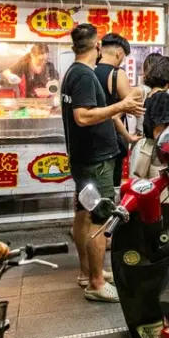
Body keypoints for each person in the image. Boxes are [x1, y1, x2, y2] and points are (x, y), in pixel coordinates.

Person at [60, 23, 145, 302]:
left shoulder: (74, 72)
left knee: (84, 214)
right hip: (95, 158)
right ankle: (96, 283)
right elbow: (83, 117)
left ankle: (88, 273)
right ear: (97, 47)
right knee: (100, 217)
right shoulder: (84, 75)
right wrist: (121, 106)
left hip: (86, 156)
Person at [95, 33, 141, 187]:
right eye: (123, 56)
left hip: (91, 140)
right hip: (111, 141)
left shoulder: (89, 71)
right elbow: (132, 104)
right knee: (111, 188)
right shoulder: (116, 73)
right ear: (119, 53)